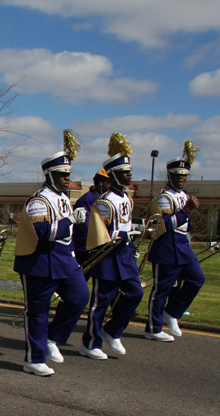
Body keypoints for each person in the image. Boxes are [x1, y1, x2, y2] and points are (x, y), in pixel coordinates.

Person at [13, 131, 90, 376]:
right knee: (36, 312)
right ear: (49, 175)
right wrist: (70, 221)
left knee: (79, 297)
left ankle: (53, 337)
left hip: (65, 260)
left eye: (68, 174)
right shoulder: (38, 200)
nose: (67, 179)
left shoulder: (64, 198)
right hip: (40, 261)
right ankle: (33, 360)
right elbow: (43, 231)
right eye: (62, 175)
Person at [80, 133, 144, 360]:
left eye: (129, 172)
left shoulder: (127, 199)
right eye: (125, 172)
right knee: (101, 303)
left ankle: (111, 330)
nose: (129, 175)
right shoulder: (105, 201)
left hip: (124, 255)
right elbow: (102, 231)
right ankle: (90, 343)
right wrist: (126, 235)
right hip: (107, 256)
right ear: (115, 175)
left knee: (136, 293)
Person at [144, 141, 205, 342]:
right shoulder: (164, 198)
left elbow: (184, 224)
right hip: (167, 246)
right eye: (178, 176)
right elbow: (165, 224)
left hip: (183, 246)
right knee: (162, 289)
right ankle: (152, 327)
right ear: (170, 176)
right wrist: (187, 209)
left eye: (184, 176)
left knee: (197, 278)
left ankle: (172, 313)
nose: (181, 179)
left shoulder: (183, 195)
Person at [74, 169, 111, 274]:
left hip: (99, 246)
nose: (110, 186)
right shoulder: (87, 199)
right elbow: (86, 225)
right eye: (108, 183)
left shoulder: (105, 198)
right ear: (100, 182)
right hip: (84, 249)